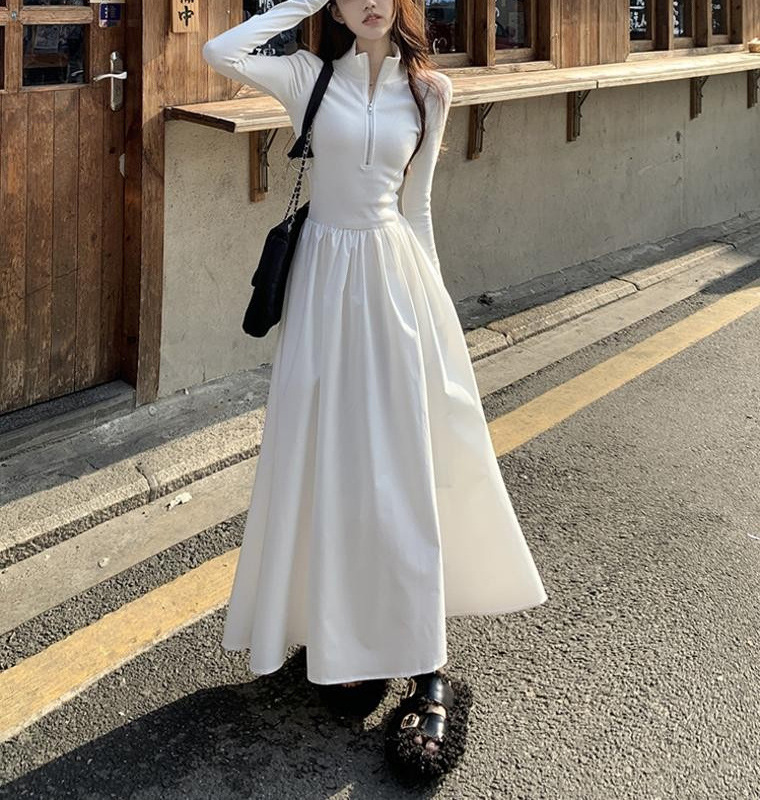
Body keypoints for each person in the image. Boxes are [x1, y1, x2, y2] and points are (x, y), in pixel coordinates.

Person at [202, 0, 547, 784]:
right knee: (329, 464)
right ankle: (349, 635)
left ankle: (428, 667)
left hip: (395, 285)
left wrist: (436, 314)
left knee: (400, 470)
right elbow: (221, 52)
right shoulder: (307, 78)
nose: (368, 2)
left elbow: (416, 209)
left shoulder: (429, 91)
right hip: (322, 288)